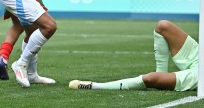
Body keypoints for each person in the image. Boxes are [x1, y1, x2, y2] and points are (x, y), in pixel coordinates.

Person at [69, 20, 198, 92]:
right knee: (163, 26)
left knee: (149, 79)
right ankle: (161, 73)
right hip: (199, 55)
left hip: (200, 73)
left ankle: (96, 86)